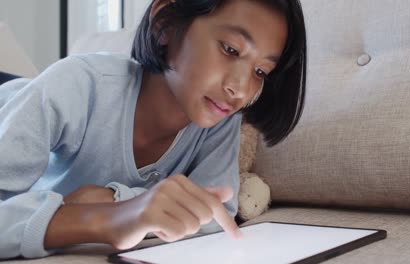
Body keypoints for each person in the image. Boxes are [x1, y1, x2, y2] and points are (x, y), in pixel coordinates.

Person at [0, 0, 306, 259]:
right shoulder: (77, 85)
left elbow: (217, 213)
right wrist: (105, 219)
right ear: (165, 23)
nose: (239, 89)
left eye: (260, 71)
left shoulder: (220, 121)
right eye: (230, 49)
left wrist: (113, 200)